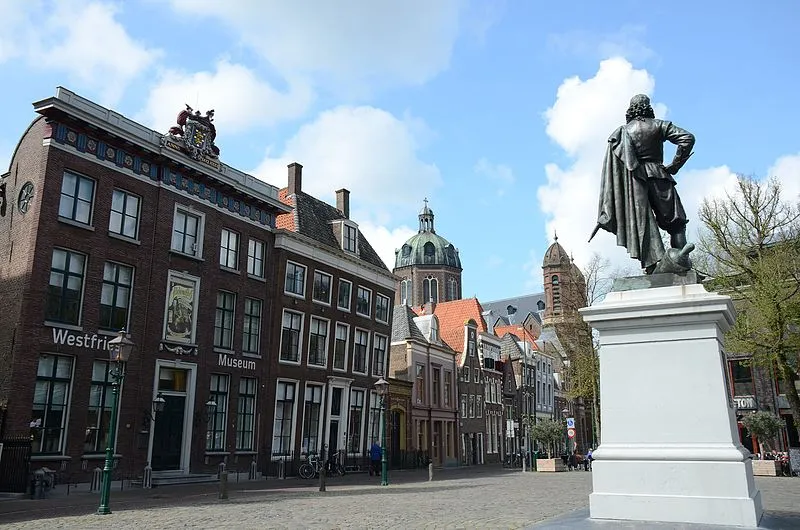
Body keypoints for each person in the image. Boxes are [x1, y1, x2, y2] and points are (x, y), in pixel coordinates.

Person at [593, 94, 695, 274]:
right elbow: (687, 138)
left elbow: (612, 172)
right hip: (660, 177)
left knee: (642, 225)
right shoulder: (659, 125)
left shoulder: (622, 133)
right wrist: (675, 165)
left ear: (630, 109)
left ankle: (652, 268)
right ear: (648, 107)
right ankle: (682, 267)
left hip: (635, 185)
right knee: (676, 224)